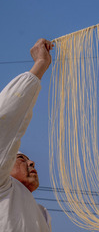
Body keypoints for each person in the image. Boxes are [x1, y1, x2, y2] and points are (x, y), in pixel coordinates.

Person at [0, 39, 54, 232]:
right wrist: (40, 65)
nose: (32, 164)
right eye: (22, 158)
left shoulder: (42, 214)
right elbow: (5, 122)